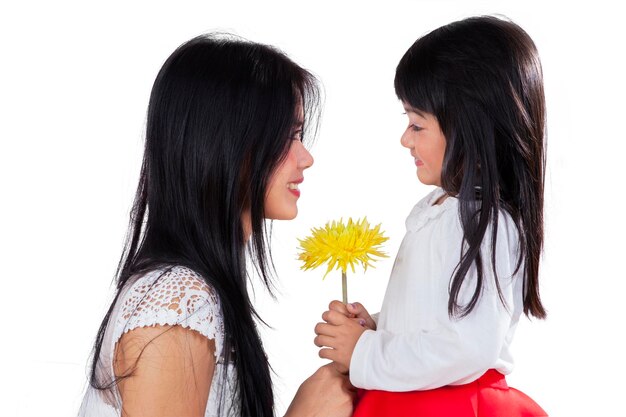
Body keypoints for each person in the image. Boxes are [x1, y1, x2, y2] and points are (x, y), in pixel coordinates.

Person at [78, 34, 355, 417]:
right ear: (228, 144)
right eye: (289, 135)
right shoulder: (179, 303)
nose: (305, 158)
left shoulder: (196, 294)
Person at [314, 16, 548, 416]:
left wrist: (366, 352)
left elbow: (468, 346)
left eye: (417, 124)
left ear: (470, 129)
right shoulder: (443, 212)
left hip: (446, 405)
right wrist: (377, 327)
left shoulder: (482, 224)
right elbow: (437, 319)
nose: (406, 139)